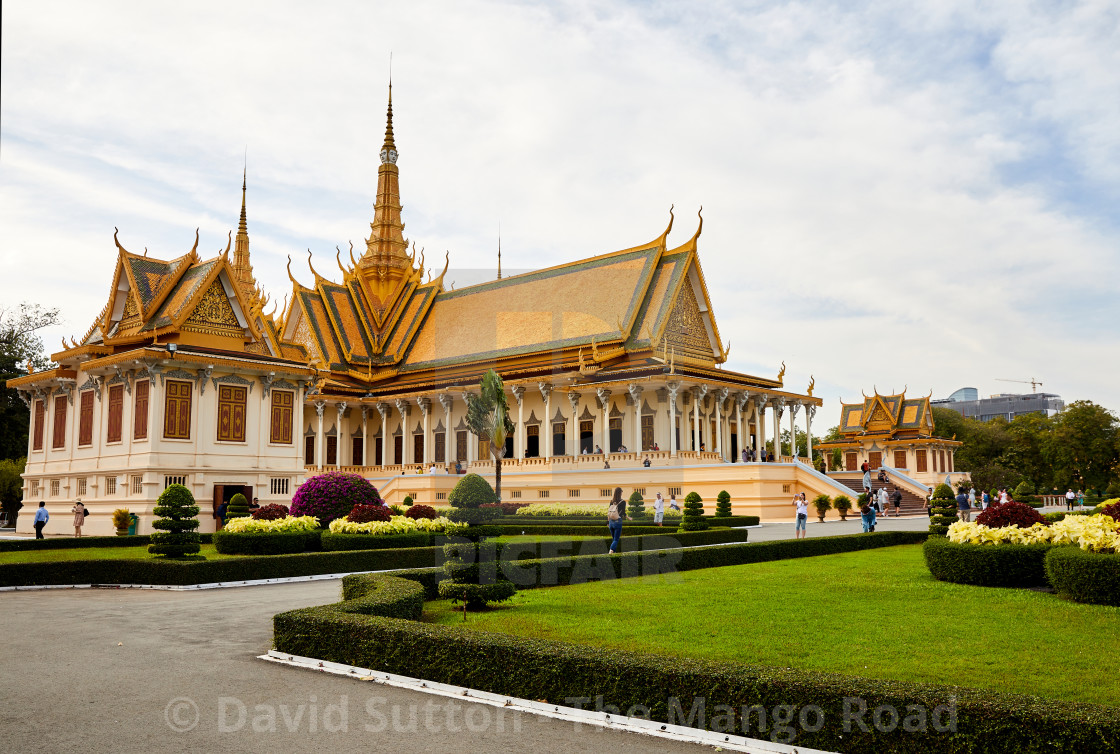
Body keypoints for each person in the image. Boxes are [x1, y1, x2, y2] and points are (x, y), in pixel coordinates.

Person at [607, 487, 626, 554]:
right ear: (620, 493)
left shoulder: (612, 501)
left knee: (614, 539)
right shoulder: (623, 502)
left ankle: (614, 552)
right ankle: (611, 550)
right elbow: (623, 513)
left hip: (611, 522)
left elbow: (609, 512)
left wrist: (608, 522)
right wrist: (627, 517)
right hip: (617, 522)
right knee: (616, 539)